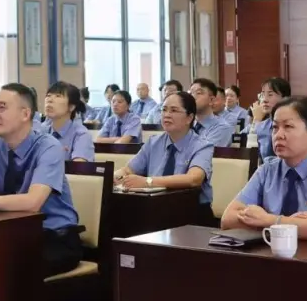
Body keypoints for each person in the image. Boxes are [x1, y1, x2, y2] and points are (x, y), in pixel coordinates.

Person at [0, 84, 81, 277]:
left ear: (25, 114)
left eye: (2, 108)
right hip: (9, 233)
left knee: (2, 265)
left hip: (54, 237)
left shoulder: (49, 147)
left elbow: (32, 202)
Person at [222, 96, 307, 243]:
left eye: (288, 126)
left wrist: (268, 220)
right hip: (274, 252)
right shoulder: (267, 169)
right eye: (275, 127)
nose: (278, 135)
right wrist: (289, 224)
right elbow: (227, 219)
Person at [115, 91, 215, 223]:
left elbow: (193, 179)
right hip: (155, 209)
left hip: (191, 212)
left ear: (189, 118)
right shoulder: (153, 142)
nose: (167, 115)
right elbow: (128, 170)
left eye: (173, 110)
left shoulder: (202, 146)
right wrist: (115, 177)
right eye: (164, 110)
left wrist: (148, 182)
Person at [40, 81, 95, 161]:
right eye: (48, 95)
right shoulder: (40, 131)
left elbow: (78, 167)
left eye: (58, 96)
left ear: (71, 107)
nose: (50, 100)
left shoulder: (81, 135)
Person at [251, 77, 291, 159]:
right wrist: (256, 120)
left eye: (270, 95)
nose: (264, 100)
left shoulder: (293, 124)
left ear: (285, 98)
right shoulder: (262, 125)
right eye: (262, 95)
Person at [190, 78, 233, 147]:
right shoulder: (186, 124)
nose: (192, 97)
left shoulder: (222, 128)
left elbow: (204, 152)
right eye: (190, 93)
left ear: (211, 100)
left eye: (198, 93)